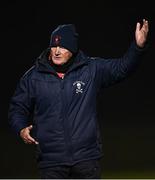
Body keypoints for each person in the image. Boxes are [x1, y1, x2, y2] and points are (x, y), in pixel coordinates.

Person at [8, 20, 149, 179]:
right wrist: (21, 128)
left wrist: (137, 47)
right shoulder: (33, 77)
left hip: (85, 160)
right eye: (54, 46)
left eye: (63, 46)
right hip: (51, 162)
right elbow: (17, 109)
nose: (57, 51)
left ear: (73, 49)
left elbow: (122, 68)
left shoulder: (91, 69)